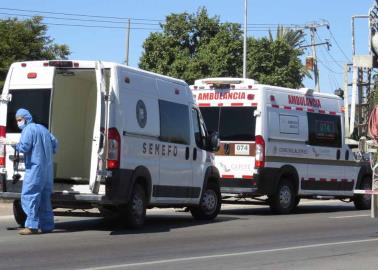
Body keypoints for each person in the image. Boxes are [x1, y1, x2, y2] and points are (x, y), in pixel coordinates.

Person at [0, 108, 58, 235]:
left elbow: (24, 147)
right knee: (44, 198)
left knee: (29, 196)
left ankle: (31, 226)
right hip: (47, 170)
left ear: (26, 119)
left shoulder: (28, 130)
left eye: (20, 120)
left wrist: (11, 143)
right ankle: (47, 225)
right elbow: (55, 144)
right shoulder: (43, 129)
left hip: (35, 169)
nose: (18, 123)